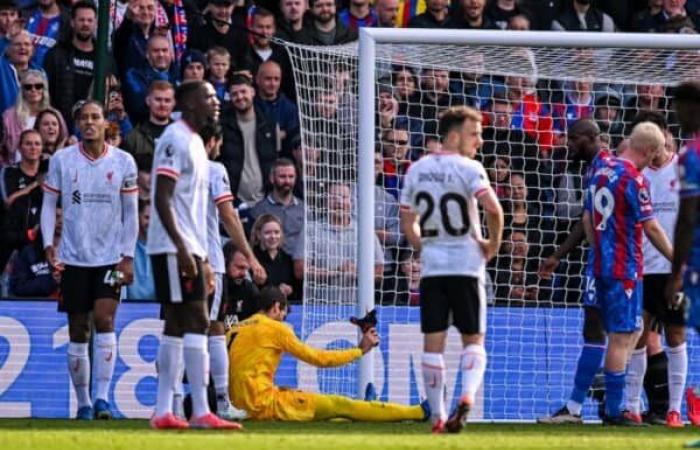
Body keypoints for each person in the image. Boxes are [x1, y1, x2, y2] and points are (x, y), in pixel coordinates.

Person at [399, 105, 504, 433]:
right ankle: (468, 395)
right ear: (455, 135)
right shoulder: (470, 168)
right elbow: (494, 209)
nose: (480, 141)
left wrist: (421, 245)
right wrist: (492, 245)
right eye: (475, 134)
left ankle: (438, 417)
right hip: (466, 266)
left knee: (433, 343)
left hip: (433, 269)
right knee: (474, 339)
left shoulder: (417, 169)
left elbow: (406, 218)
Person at [146, 80, 240, 430]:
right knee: (198, 321)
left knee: (176, 323)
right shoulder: (175, 139)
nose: (216, 102)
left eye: (217, 96)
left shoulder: (197, 144)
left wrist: (201, 255)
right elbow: (161, 198)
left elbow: (192, 208)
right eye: (209, 97)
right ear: (188, 101)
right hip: (174, 247)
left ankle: (163, 412)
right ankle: (200, 410)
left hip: (190, 247)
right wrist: (185, 250)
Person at [40, 100, 139, 420]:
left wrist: (127, 256)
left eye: (95, 117)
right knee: (78, 328)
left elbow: (132, 213)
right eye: (83, 118)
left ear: (106, 123)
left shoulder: (124, 162)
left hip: (110, 259)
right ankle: (82, 402)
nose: (89, 123)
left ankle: (102, 399)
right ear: (78, 124)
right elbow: (48, 205)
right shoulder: (62, 161)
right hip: (73, 257)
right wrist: (48, 244)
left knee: (105, 319)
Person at [581, 122, 673, 425]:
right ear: (647, 150)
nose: (650, 163)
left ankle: (615, 403)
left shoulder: (601, 170)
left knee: (632, 333)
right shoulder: (634, 179)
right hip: (625, 269)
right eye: (652, 156)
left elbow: (587, 218)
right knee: (623, 337)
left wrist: (598, 247)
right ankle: (614, 409)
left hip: (601, 265)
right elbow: (652, 227)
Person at [228, 285, 429, 422]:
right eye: (283, 313)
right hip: (265, 405)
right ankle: (418, 412)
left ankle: (368, 408)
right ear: (276, 307)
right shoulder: (274, 328)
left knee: (330, 412)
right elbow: (319, 359)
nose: (282, 318)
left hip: (240, 406)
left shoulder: (235, 329)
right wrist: (359, 350)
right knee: (339, 404)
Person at [537, 119, 613, 424]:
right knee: (603, 331)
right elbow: (585, 220)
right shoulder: (593, 170)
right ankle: (590, 405)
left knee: (613, 332)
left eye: (573, 138)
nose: (568, 144)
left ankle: (597, 405)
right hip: (605, 260)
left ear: (590, 137)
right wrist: (557, 255)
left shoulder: (606, 169)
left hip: (610, 261)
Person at [622, 120, 685, 428]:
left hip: (676, 270)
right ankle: (632, 405)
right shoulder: (638, 175)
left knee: (676, 336)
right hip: (642, 268)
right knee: (639, 336)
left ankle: (674, 410)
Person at [200, 121, 264, 421]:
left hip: (175, 258)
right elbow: (228, 216)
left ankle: (173, 402)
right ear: (214, 141)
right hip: (208, 260)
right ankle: (220, 402)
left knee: (177, 328)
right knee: (213, 328)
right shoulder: (215, 170)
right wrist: (250, 257)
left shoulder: (172, 168)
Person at [666, 80, 700, 428]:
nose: (677, 115)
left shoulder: (693, 155)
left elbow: (688, 216)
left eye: (679, 108)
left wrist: (675, 273)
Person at [250, 214, 298, 301]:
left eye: (276, 232)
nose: (273, 237)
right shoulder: (251, 259)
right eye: (267, 233)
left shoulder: (288, 259)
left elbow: (296, 289)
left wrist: (290, 290)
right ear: (258, 235)